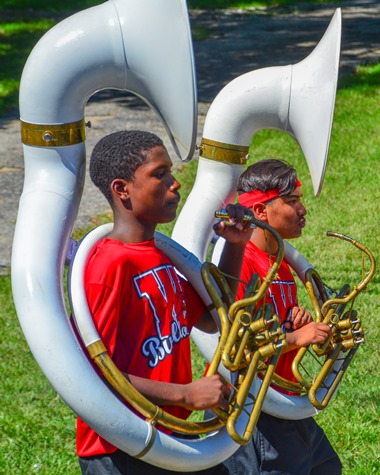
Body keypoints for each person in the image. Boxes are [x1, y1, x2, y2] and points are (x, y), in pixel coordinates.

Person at [76, 130, 253, 475]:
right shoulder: (109, 264)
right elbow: (92, 374)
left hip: (171, 436)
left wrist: (234, 245)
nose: (175, 184)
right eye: (160, 174)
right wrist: (185, 395)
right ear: (121, 189)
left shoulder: (160, 255)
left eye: (171, 172)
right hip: (121, 449)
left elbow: (214, 317)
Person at [220, 159, 342, 475]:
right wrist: (296, 337)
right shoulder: (243, 262)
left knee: (327, 467)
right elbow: (234, 346)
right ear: (260, 212)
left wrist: (295, 322)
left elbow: (269, 325)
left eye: (299, 200)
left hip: (282, 399)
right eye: (291, 202)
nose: (302, 210)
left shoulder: (282, 265)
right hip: (255, 407)